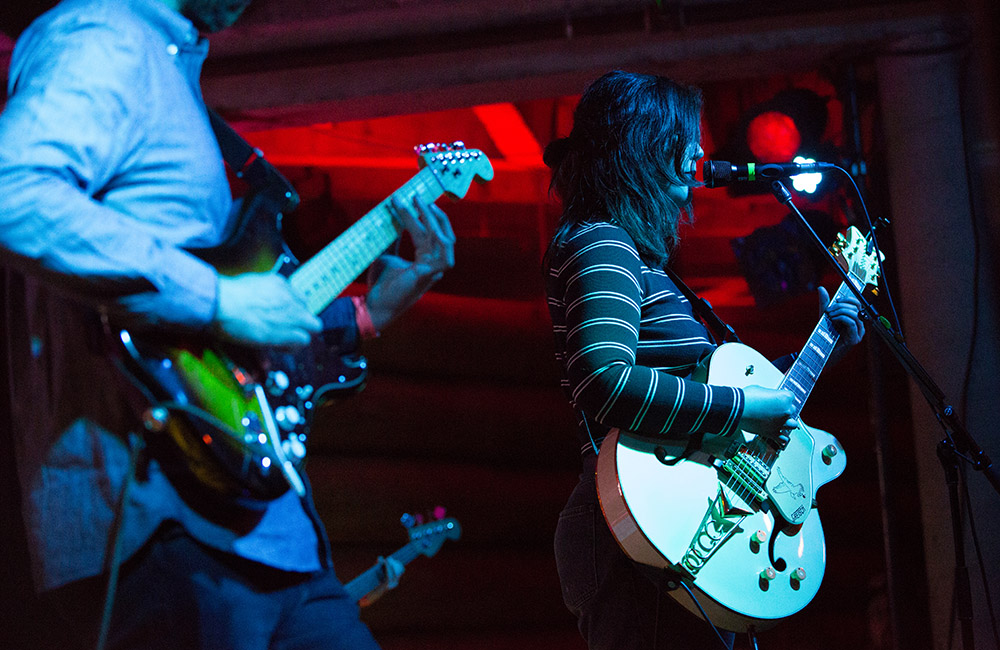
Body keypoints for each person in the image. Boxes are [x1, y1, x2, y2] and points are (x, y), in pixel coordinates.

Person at [0, 1, 455, 648]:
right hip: (165, 528)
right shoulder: (105, 35)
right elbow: (13, 191)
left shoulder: (169, 66)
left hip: (266, 535)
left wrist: (363, 317)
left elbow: (217, 326)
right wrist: (216, 297)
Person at [542, 70, 866, 650]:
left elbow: (709, 394)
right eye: (683, 140)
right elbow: (605, 381)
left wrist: (823, 348)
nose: (698, 154)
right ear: (648, 147)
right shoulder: (602, 242)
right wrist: (745, 408)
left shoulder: (631, 255)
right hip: (638, 528)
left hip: (674, 521)